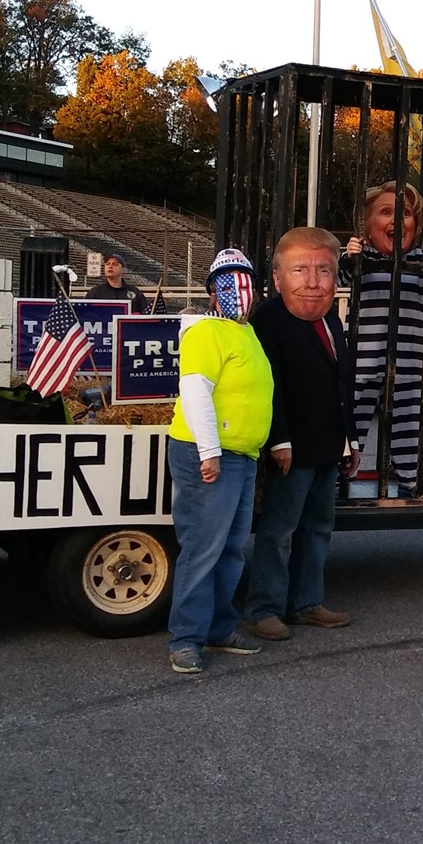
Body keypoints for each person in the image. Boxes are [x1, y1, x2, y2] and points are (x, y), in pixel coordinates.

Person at [244, 227, 359, 642]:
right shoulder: (266, 322)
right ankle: (263, 609)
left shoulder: (329, 317)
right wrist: (279, 440)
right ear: (277, 279)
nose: (313, 281)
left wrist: (352, 440)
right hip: (289, 450)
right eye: (300, 270)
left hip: (328, 447)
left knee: (318, 529)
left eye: (323, 270)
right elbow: (265, 387)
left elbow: (341, 383)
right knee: (279, 532)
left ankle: (306, 603)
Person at [164, 248, 274, 675]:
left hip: (241, 456)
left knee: (230, 549)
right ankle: (186, 638)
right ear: (212, 292)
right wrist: (209, 451)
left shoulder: (244, 332)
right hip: (209, 454)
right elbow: (195, 392)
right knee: (204, 548)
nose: (238, 292)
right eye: (227, 283)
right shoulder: (206, 332)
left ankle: (217, 627)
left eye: (245, 282)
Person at [341, 180, 423, 498]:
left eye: (406, 214)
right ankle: (339, 481)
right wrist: (348, 257)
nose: (397, 220)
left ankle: (410, 484)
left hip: (407, 365)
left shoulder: (420, 262)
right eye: (385, 212)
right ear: (367, 226)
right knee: (349, 426)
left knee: (408, 428)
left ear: (416, 226)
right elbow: (338, 276)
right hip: (361, 364)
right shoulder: (362, 258)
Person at [86, 252, 150, 313]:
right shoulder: (96, 292)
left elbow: (145, 313)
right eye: (107, 264)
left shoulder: (134, 292)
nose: (110, 266)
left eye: (115, 264)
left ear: (122, 269)